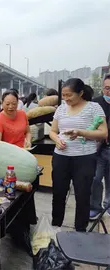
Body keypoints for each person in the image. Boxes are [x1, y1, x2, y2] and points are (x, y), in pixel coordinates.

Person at [49, 78, 107, 232]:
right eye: (64, 95)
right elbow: (53, 131)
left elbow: (103, 133)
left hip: (85, 158)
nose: (66, 99)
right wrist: (57, 140)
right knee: (58, 192)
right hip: (61, 157)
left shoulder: (93, 108)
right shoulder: (61, 109)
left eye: (69, 95)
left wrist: (80, 132)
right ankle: (55, 227)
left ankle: (80, 230)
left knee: (82, 195)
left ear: (81, 93)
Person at [90, 74, 110, 219]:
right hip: (99, 149)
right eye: (107, 88)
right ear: (103, 89)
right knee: (96, 179)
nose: (109, 92)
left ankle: (108, 205)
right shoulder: (95, 104)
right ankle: (95, 207)